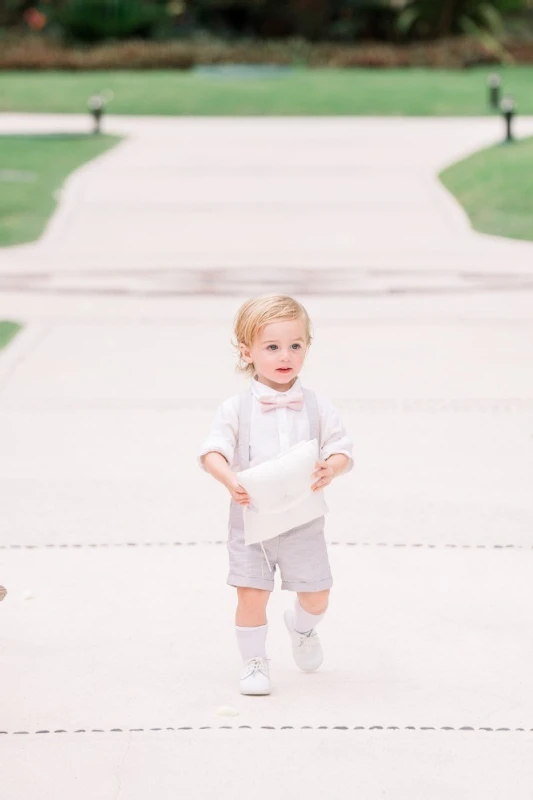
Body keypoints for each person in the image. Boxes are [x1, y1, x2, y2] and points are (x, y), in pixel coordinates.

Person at [198, 295, 353, 695]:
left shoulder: (318, 406)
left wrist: (330, 467)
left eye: (295, 345)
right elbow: (212, 451)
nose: (285, 355)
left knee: (317, 594)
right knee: (252, 595)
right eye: (272, 347)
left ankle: (302, 626)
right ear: (246, 351)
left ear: (307, 347)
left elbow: (341, 448)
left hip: (303, 521)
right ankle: (254, 661)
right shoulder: (235, 408)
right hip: (253, 522)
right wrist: (229, 478)